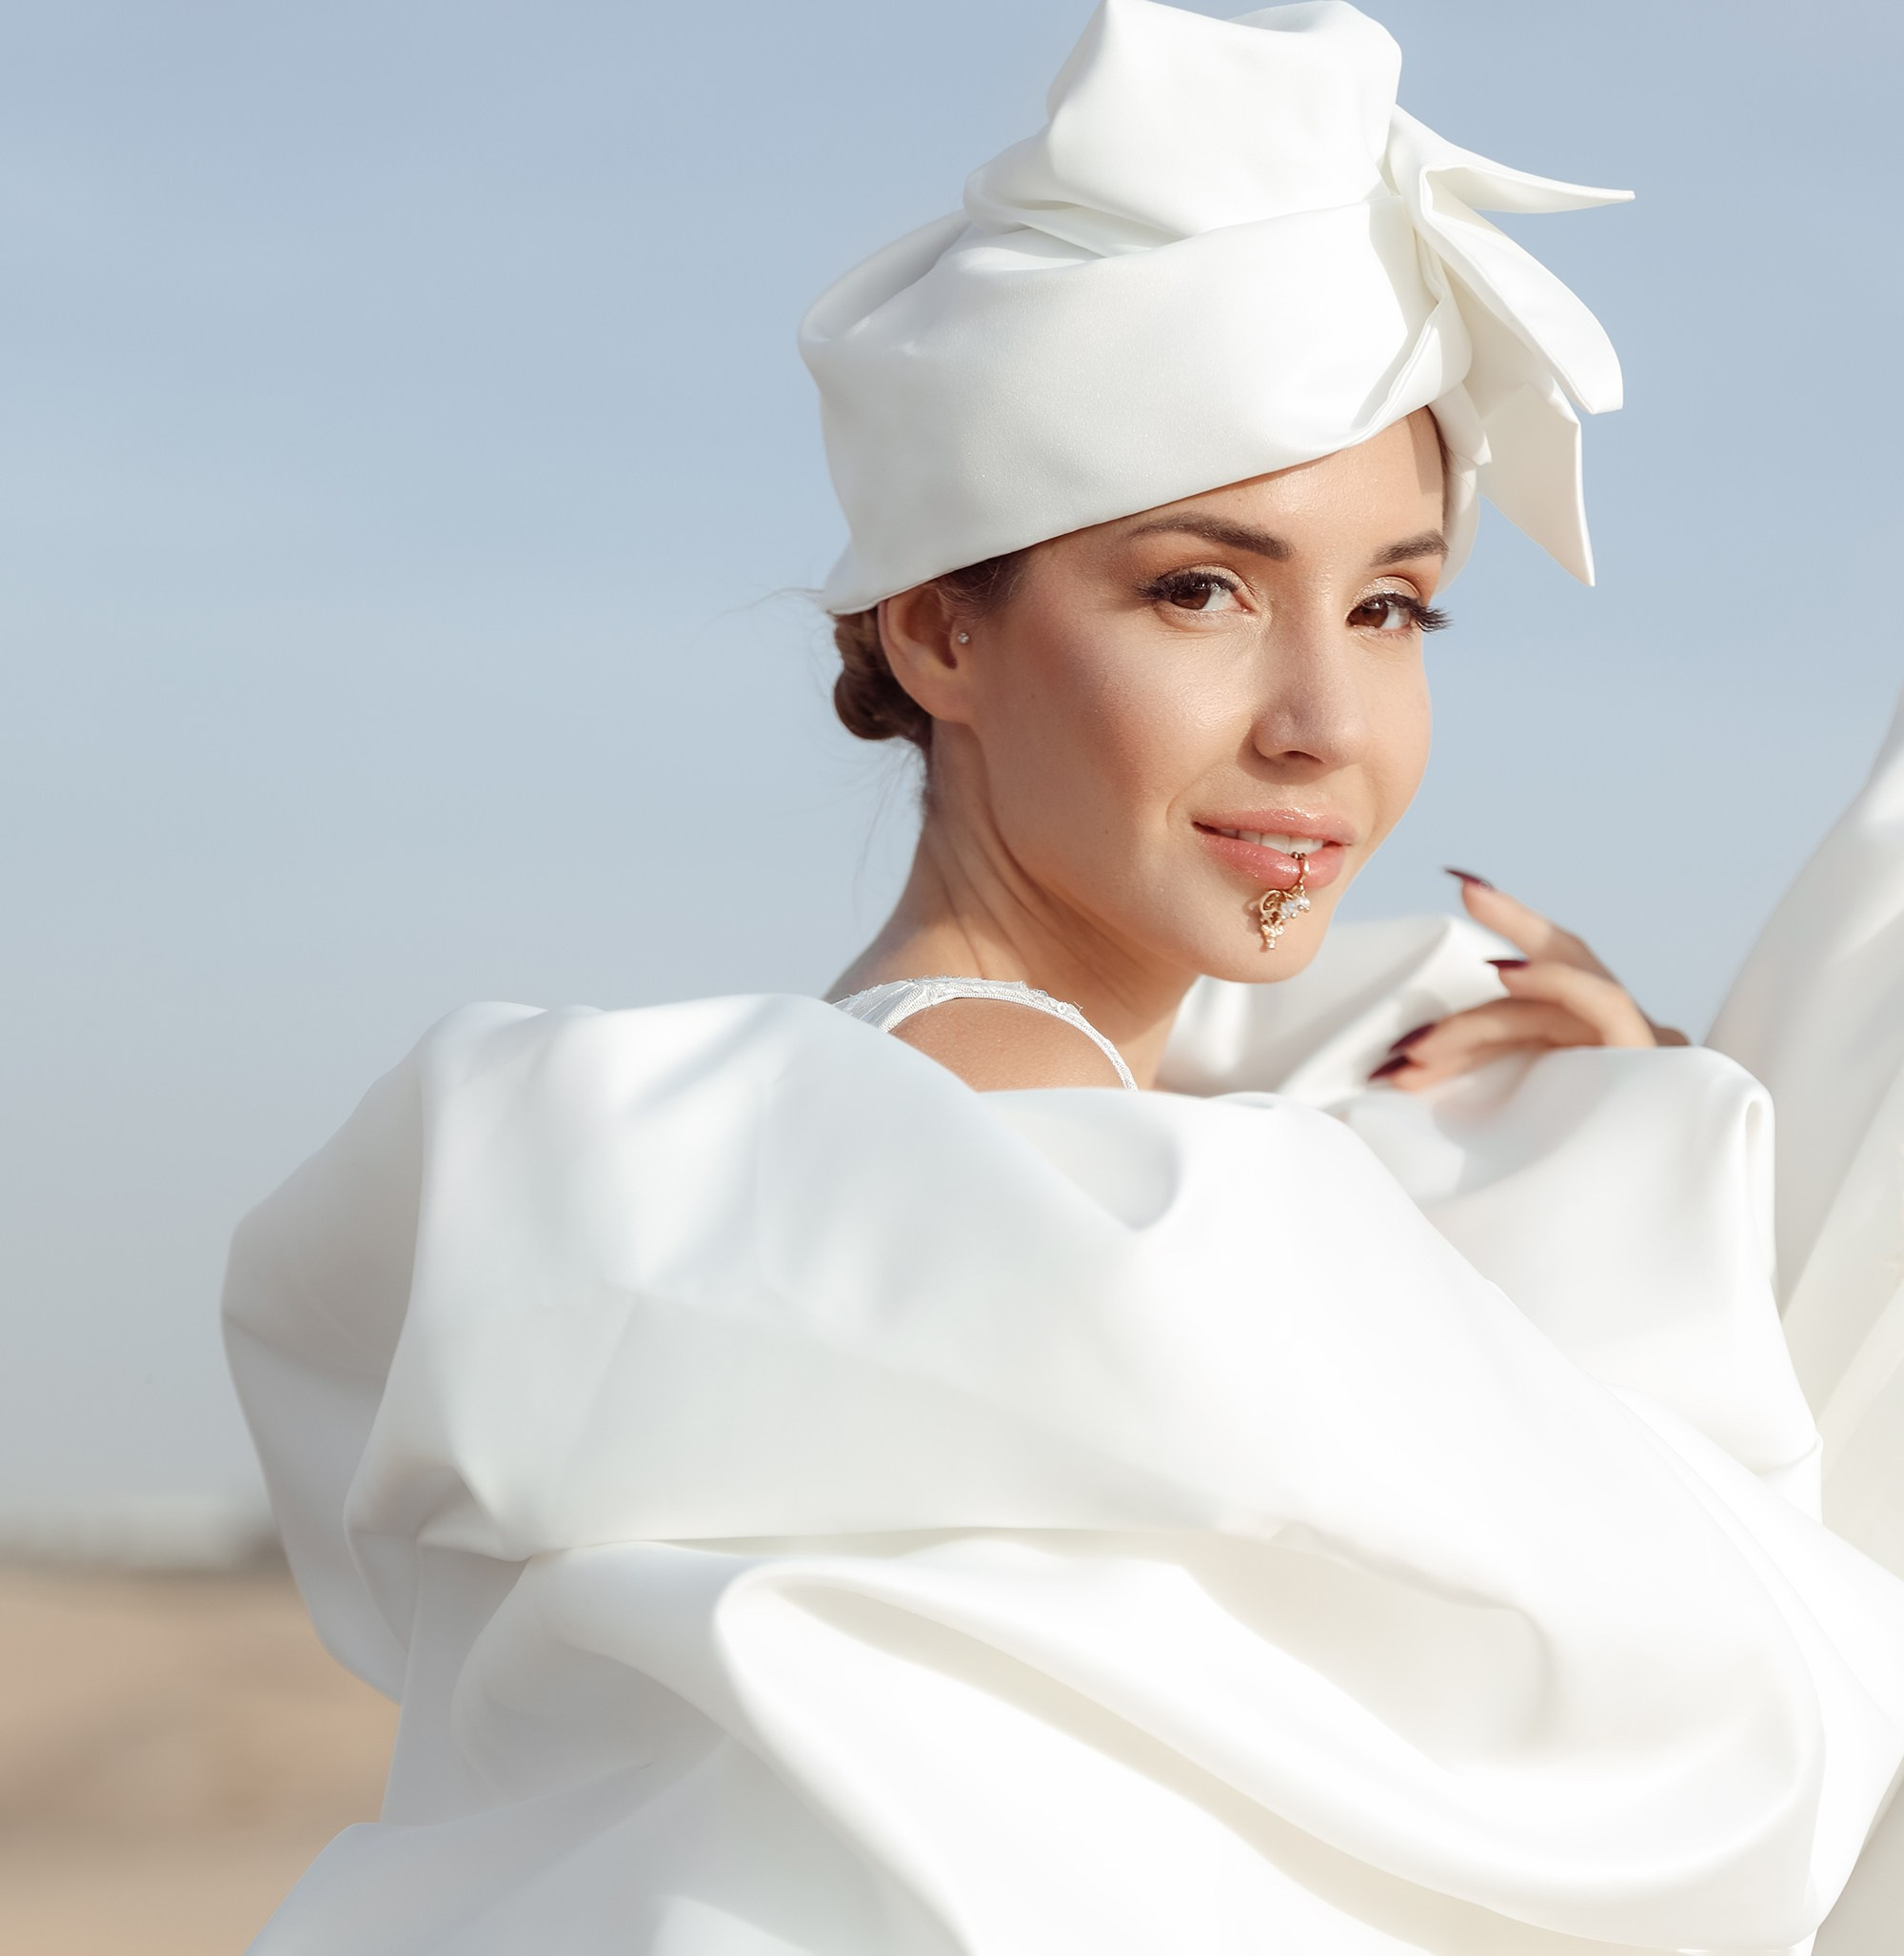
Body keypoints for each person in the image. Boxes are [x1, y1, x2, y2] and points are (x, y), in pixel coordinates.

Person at [224, 4, 1904, 1949]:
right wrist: (1640, 1189)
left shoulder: (1036, 1153)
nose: (1323, 721)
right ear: (941, 623)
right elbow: (1683, 1709)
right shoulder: (1019, 1178)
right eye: (1200, 587)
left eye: (1389, 603)